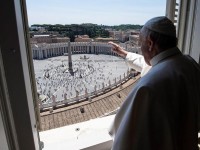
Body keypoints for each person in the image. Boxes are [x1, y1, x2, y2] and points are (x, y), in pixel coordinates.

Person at [108, 16, 200, 150]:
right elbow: (152, 64)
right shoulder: (190, 64)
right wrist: (124, 53)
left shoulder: (147, 87)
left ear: (150, 43)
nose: (140, 48)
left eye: (140, 43)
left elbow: (125, 141)